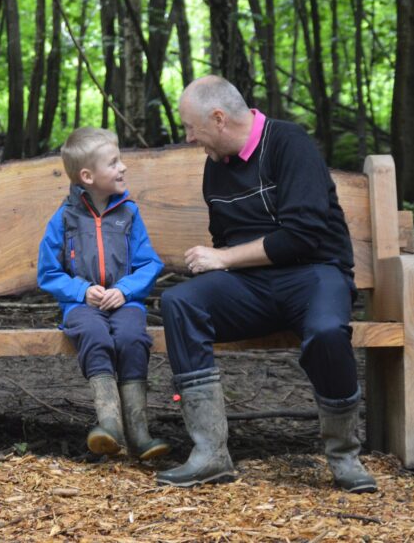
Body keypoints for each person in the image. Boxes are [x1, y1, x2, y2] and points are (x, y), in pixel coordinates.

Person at [156, 75, 378, 493]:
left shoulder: (289, 143)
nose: (188, 138)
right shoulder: (216, 165)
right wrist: (220, 265)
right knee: (180, 303)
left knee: (327, 332)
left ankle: (344, 455)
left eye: (191, 127)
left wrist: (223, 258)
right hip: (250, 286)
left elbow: (302, 235)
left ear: (219, 118)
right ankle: (210, 453)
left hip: (314, 274)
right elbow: (225, 236)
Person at [37, 127, 170, 460]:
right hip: (81, 307)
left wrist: (124, 291)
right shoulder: (64, 218)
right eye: (113, 163)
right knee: (94, 335)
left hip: (126, 304)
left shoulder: (129, 213)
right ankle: (109, 424)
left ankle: (139, 433)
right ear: (88, 176)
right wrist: (82, 291)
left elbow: (149, 263)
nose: (123, 167)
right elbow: (48, 272)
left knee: (131, 337)